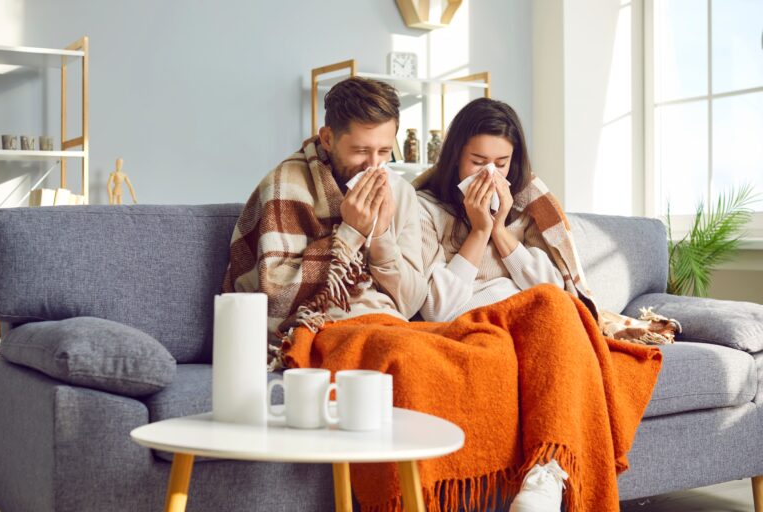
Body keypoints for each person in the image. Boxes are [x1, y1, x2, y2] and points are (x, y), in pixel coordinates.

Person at [414, 97, 672, 511]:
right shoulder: (425, 208)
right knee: (551, 312)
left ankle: (545, 475)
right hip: (473, 325)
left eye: (501, 163)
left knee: (556, 310)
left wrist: (500, 231)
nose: (490, 174)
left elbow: (558, 287)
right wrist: (477, 232)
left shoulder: (528, 208)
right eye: (477, 161)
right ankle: (547, 475)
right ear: (454, 158)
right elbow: (438, 310)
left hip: (539, 323)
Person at [223, 77, 427, 366]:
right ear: (328, 138)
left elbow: (411, 303)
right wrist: (350, 232)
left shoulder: (400, 192)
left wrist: (380, 235)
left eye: (384, 152)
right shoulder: (285, 187)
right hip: (314, 329)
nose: (373, 165)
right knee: (405, 358)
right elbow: (273, 305)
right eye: (360, 150)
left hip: (388, 324)